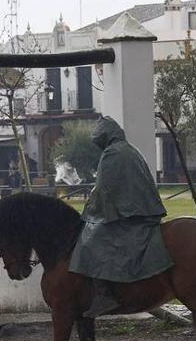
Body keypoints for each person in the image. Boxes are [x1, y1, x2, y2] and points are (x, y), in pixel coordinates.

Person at [69, 116, 173, 318]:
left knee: (91, 241)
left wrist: (89, 212)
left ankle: (105, 293)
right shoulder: (130, 150)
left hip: (132, 215)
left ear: (105, 137)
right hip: (143, 211)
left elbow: (103, 191)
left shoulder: (112, 154)